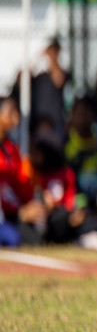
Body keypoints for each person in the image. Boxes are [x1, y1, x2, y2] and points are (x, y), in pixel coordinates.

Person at [15, 38, 68, 133]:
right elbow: (22, 79)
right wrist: (37, 57)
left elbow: (59, 79)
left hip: (54, 125)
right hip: (36, 124)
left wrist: (52, 57)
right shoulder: (38, 78)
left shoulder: (58, 74)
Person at [0, 98, 28, 247]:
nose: (16, 119)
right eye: (11, 113)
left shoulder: (12, 149)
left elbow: (20, 183)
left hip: (12, 213)